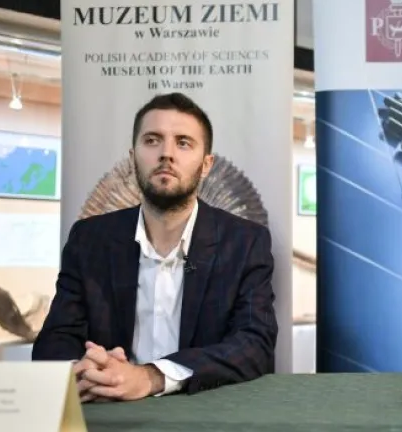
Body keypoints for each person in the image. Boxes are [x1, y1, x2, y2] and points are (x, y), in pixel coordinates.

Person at [32, 92, 278, 401]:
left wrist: (151, 377)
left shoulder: (244, 242)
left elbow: (254, 345)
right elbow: (56, 339)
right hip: (106, 413)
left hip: (206, 414)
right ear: (132, 156)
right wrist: (86, 372)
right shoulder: (89, 239)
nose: (166, 154)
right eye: (152, 140)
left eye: (183, 142)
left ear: (206, 165)